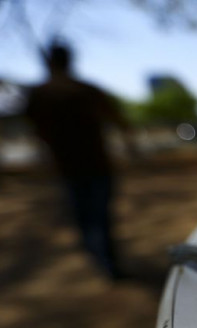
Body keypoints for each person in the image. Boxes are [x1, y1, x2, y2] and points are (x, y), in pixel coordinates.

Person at [25, 41, 135, 280]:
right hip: (90, 166)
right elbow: (119, 121)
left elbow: (36, 132)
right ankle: (104, 259)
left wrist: (43, 160)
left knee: (88, 216)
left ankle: (101, 257)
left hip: (76, 167)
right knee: (96, 216)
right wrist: (130, 147)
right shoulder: (81, 91)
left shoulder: (43, 94)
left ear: (49, 62)